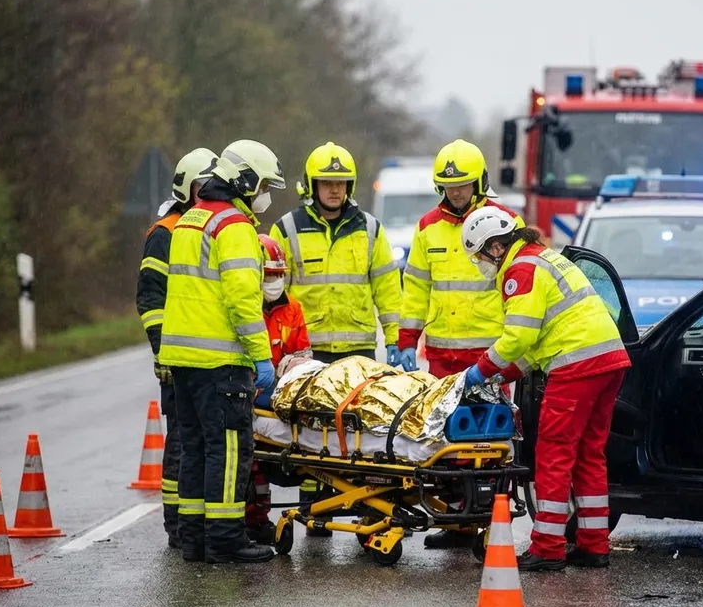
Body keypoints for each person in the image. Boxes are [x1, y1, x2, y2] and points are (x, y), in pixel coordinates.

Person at [459, 207, 632, 572]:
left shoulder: (520, 271)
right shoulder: (543, 259)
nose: (480, 265)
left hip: (576, 367)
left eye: (478, 256)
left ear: (494, 248)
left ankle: (549, 547)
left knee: (554, 454)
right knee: (589, 455)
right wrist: (502, 375)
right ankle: (593, 544)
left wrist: (478, 371)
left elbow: (517, 336)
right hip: (607, 360)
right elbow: (536, 343)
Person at [158, 139, 285, 564]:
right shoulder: (234, 227)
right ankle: (226, 539)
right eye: (264, 184)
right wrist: (261, 355)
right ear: (246, 180)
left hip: (182, 359)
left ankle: (194, 539)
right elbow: (242, 300)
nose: (265, 193)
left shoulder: (191, 218)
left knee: (194, 448)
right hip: (221, 361)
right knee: (230, 450)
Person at [397, 139, 525, 549]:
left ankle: (490, 523)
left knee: (489, 442)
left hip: (488, 354)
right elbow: (415, 287)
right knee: (447, 442)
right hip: (441, 354)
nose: (456, 193)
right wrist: (406, 339)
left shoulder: (504, 221)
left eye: (463, 185)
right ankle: (456, 521)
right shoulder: (427, 227)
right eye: (449, 187)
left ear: (479, 181)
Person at [136, 147, 218, 549]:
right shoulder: (164, 233)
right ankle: (177, 523)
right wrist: (163, 351)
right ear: (187, 188)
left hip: (209, 356)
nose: (210, 192)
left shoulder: (211, 226)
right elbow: (151, 299)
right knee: (183, 442)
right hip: (178, 358)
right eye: (203, 186)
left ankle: (199, 521)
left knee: (207, 442)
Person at [269, 141, 402, 365]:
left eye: (341, 183)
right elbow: (274, 296)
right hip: (304, 350)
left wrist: (395, 339)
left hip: (359, 351)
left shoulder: (370, 229)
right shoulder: (286, 229)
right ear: (312, 185)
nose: (334, 190)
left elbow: (388, 291)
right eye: (327, 183)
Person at [245, 234, 313, 544]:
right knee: (252, 465)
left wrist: (289, 369)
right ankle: (256, 519)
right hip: (251, 399)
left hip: (281, 398)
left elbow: (303, 355)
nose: (274, 282)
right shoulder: (245, 310)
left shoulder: (292, 309)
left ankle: (312, 511)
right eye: (268, 275)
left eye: (278, 275)